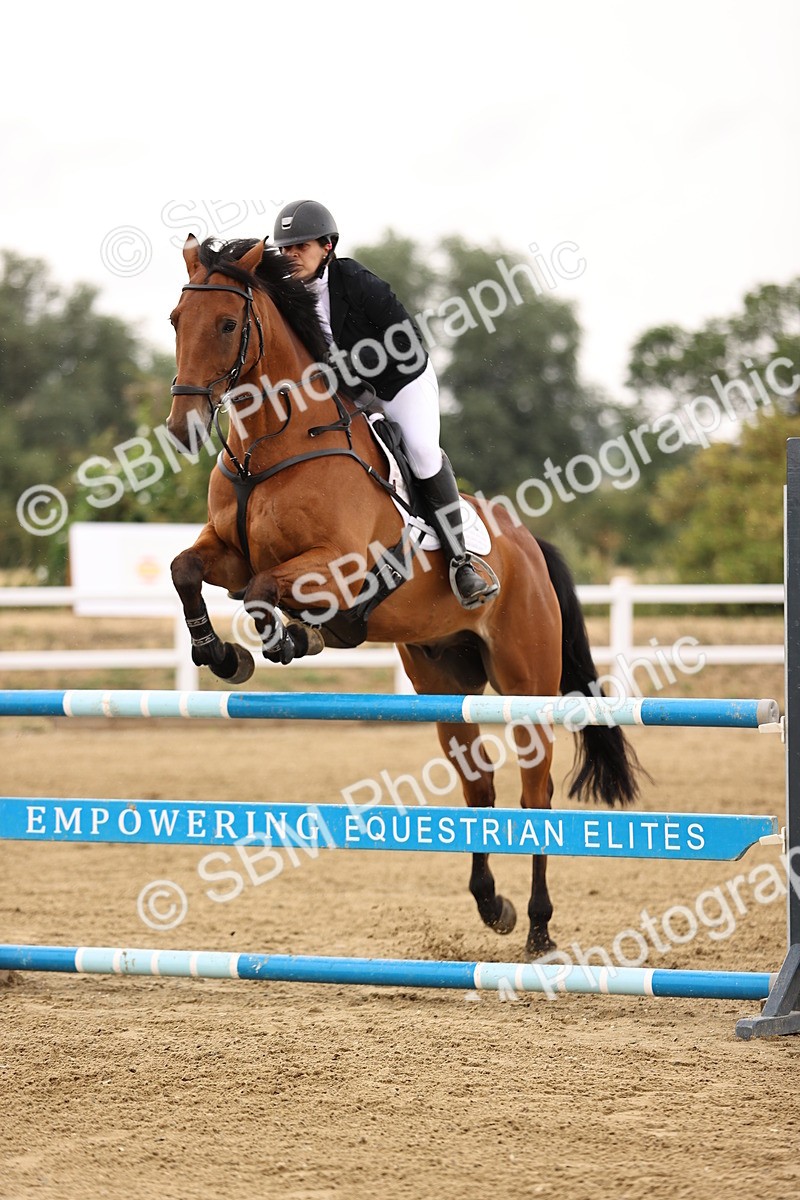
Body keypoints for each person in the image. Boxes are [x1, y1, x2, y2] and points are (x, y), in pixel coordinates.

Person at [271, 199, 499, 610]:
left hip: (401, 383)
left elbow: (406, 339)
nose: (291, 256)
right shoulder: (284, 295)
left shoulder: (356, 282)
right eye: (285, 249)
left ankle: (461, 562)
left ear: (327, 246)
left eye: (300, 247)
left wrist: (353, 369)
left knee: (423, 452)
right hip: (348, 394)